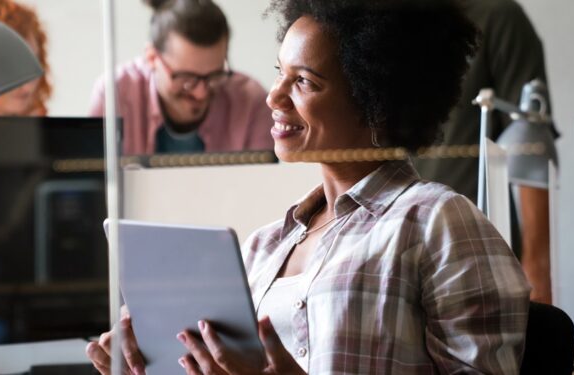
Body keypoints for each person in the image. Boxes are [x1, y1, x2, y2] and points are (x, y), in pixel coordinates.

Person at [86, 0, 531, 374]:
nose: (273, 96)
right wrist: (151, 360)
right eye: (281, 73)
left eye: (303, 81)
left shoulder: (437, 221)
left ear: (373, 100)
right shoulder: (262, 247)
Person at [412, 0, 555, 304]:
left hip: (475, 255)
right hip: (393, 248)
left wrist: (538, 273)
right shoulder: (379, 19)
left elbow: (531, 148)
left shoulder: (498, 17)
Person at [89, 0, 274, 156]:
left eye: (214, 76)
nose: (201, 93)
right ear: (152, 58)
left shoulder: (252, 103)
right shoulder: (115, 95)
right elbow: (93, 187)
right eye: (186, 78)